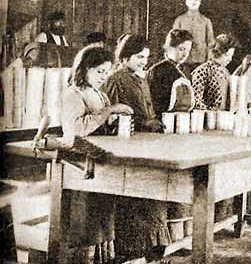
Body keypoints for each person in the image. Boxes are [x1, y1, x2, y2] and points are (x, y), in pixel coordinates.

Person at [61, 46, 133, 263]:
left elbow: (101, 122)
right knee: (84, 217)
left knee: (102, 213)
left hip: (97, 158)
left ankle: (101, 258)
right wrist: (109, 111)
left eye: (107, 72)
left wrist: (116, 122)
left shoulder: (99, 94)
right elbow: (76, 130)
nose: (104, 76)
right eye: (100, 71)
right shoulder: (73, 94)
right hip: (80, 162)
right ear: (84, 69)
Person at [102, 34, 170, 262]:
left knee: (153, 197)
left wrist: (154, 122)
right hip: (129, 149)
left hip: (148, 146)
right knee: (136, 201)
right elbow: (110, 118)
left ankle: (153, 248)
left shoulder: (140, 78)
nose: (144, 61)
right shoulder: (115, 79)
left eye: (146, 57)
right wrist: (145, 123)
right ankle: (135, 251)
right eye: (139, 57)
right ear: (125, 57)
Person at [147, 29, 194, 117]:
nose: (185, 54)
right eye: (181, 49)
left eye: (188, 50)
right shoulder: (157, 70)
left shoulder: (185, 71)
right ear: (169, 48)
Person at [192, 33, 236, 110]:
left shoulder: (226, 72)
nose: (230, 59)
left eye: (231, 56)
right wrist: (211, 112)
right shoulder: (202, 71)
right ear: (218, 52)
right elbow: (196, 102)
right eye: (227, 55)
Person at [172, 0, 215, 73]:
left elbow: (211, 42)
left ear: (200, 2)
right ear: (186, 3)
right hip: (184, 59)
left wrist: (209, 60)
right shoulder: (179, 20)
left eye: (196, 0)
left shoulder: (206, 21)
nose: (193, 2)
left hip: (201, 59)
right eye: (190, 0)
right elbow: (174, 40)